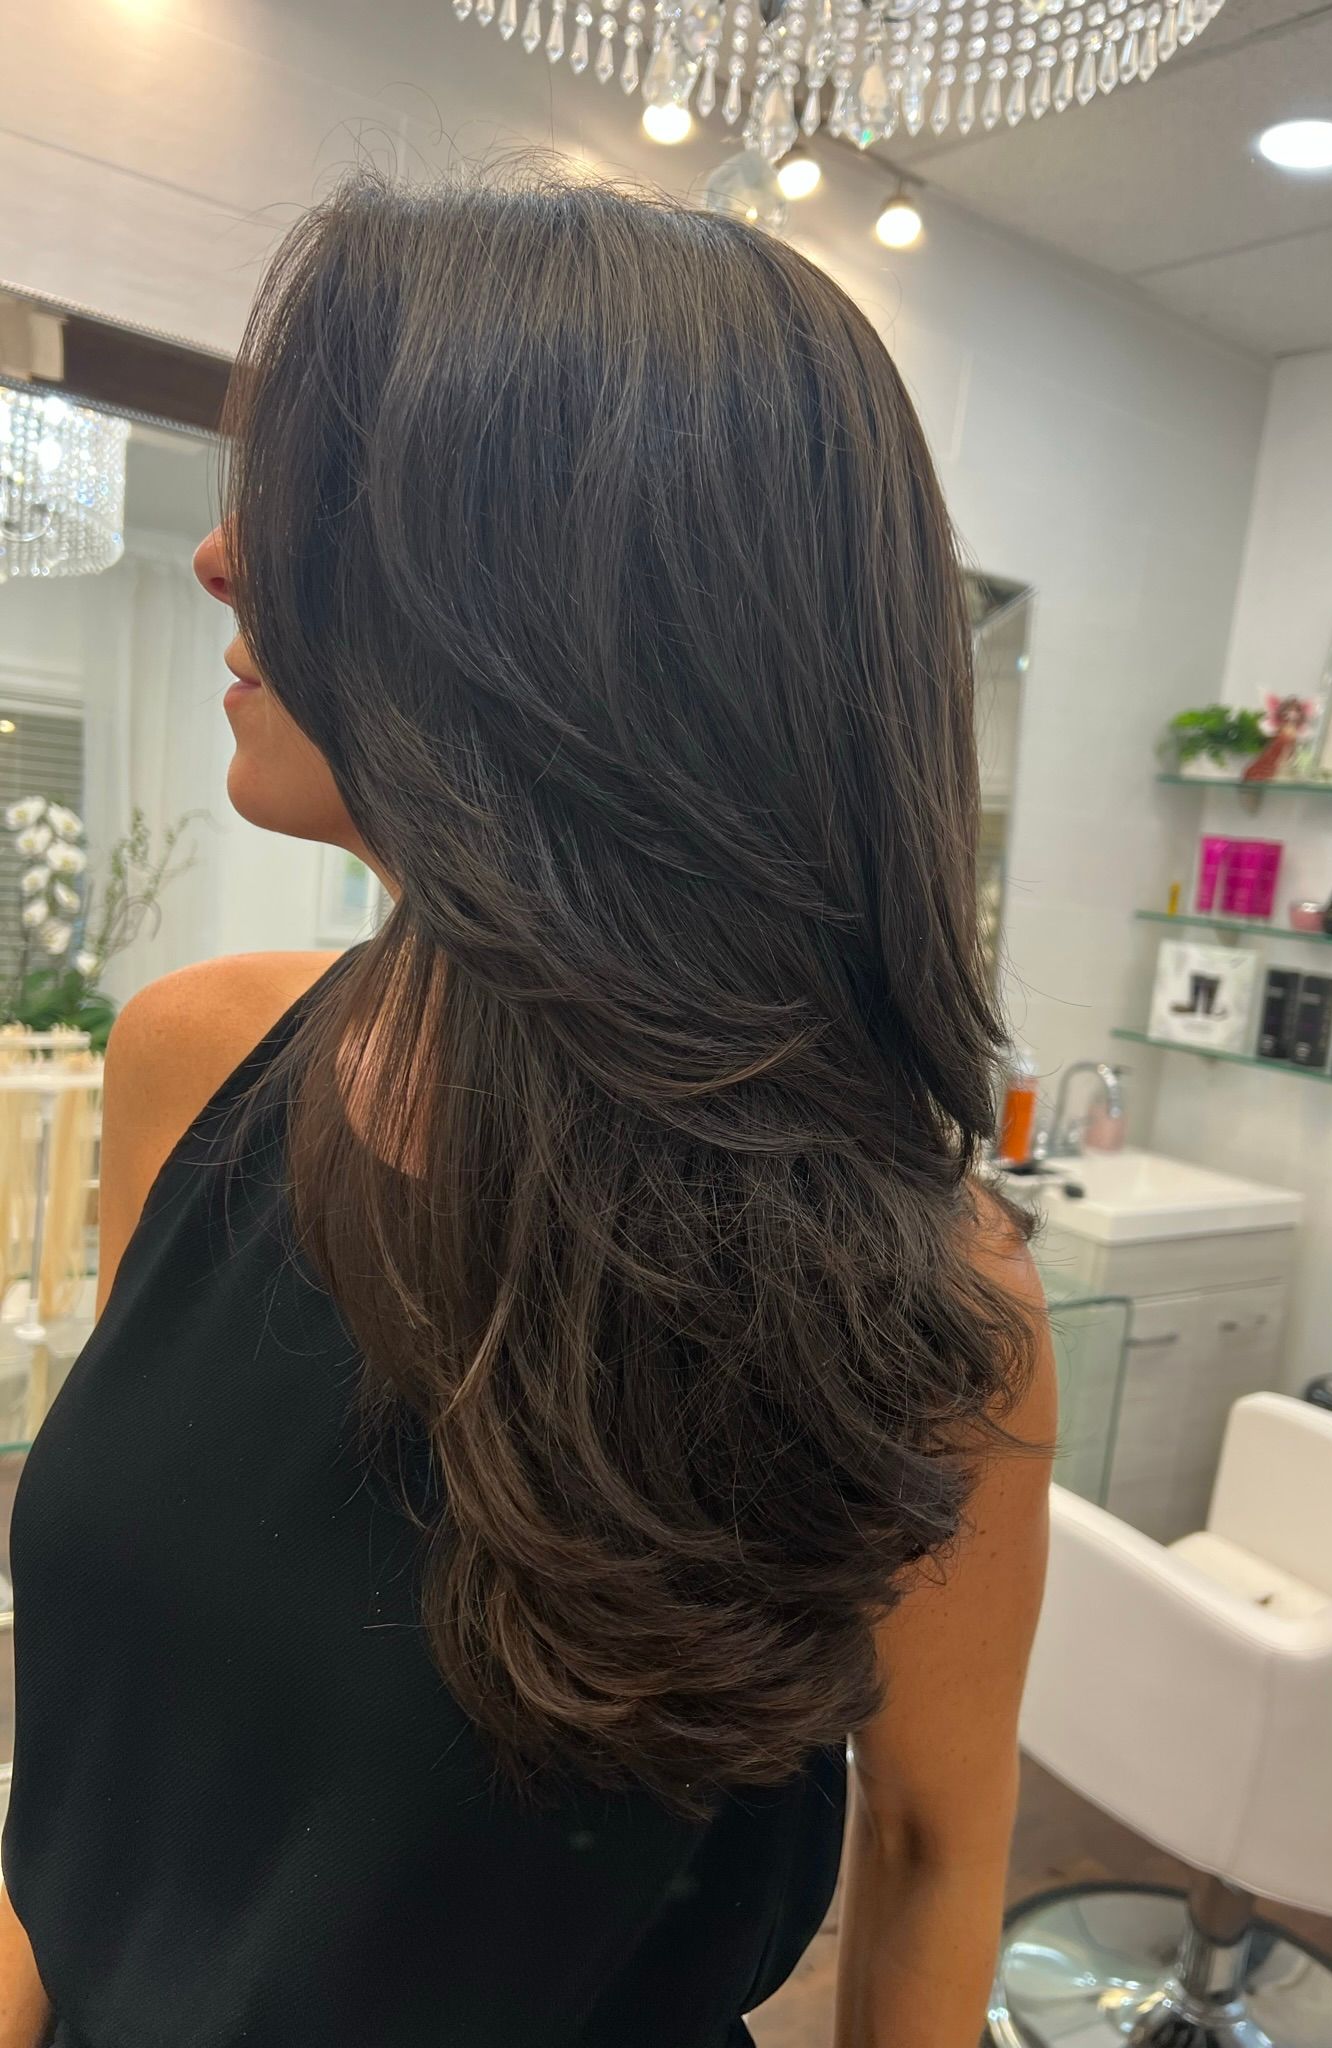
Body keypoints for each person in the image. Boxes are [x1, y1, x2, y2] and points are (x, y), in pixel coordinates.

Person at [0, 168, 1054, 2048]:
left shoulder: (925, 1302)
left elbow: (933, 1847)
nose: (221, 557)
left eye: (317, 497)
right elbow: (110, 1783)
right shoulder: (193, 1065)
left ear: (564, 607)